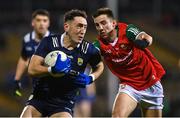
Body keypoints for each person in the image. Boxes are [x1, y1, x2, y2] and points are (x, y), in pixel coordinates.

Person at [20, 9, 104, 117]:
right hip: (39, 99)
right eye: (79, 26)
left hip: (63, 104)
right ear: (66, 27)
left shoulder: (88, 49)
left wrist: (91, 77)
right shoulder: (48, 42)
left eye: (85, 27)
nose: (82, 30)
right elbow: (31, 69)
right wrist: (51, 70)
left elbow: (99, 65)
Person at [92, 7, 165, 117]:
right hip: (130, 86)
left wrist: (144, 42)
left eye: (103, 23)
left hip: (151, 83)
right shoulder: (99, 44)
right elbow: (90, 54)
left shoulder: (127, 31)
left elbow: (146, 37)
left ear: (113, 23)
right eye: (97, 25)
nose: (100, 28)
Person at [13, 9, 51, 97]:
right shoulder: (27, 39)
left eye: (44, 21)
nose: (41, 23)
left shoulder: (54, 40)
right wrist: (17, 80)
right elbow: (24, 58)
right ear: (33, 23)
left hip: (53, 86)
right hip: (35, 85)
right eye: (38, 20)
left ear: (49, 23)